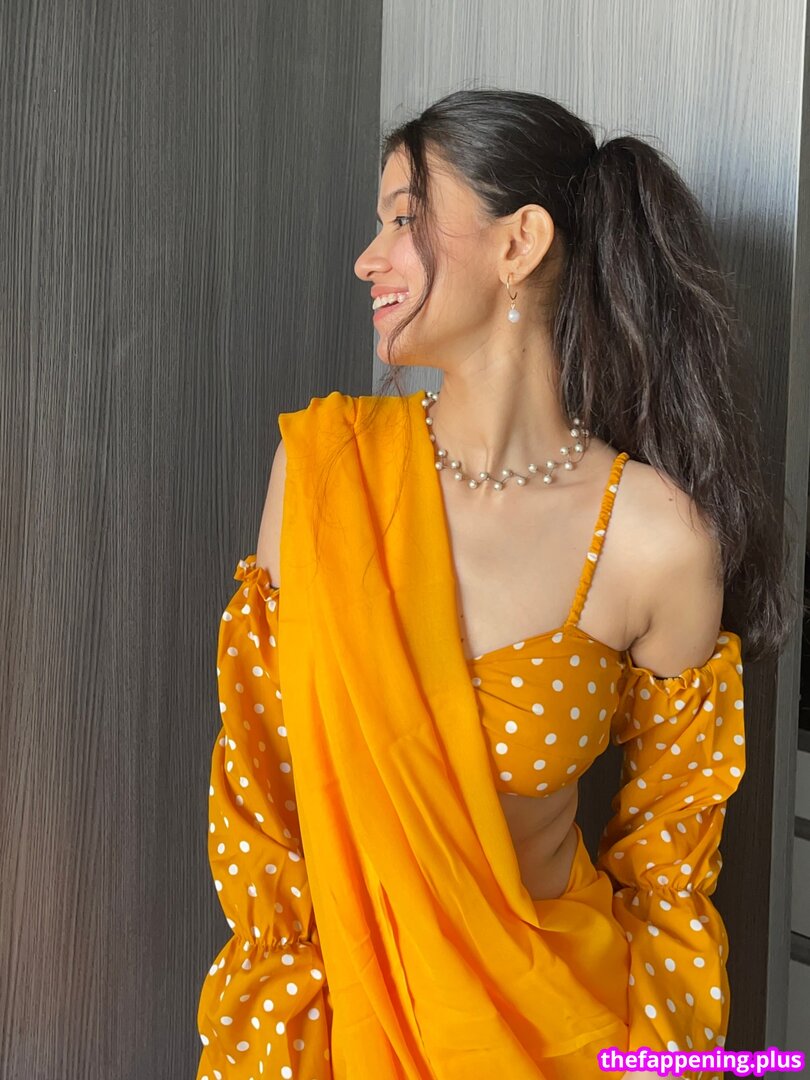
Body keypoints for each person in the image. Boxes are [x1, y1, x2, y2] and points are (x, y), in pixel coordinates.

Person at [195, 88, 801, 1080]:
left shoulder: (657, 540)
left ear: (520, 242)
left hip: (560, 1038)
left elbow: (669, 878)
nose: (369, 258)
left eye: (403, 218)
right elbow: (263, 809)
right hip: (351, 1039)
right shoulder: (322, 476)